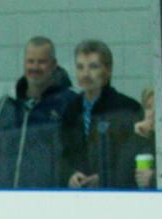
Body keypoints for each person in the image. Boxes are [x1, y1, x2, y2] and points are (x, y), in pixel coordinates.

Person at [0, 36, 76, 188]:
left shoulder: (70, 105)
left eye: (41, 62)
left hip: (50, 200)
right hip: (6, 200)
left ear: (54, 65)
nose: (35, 67)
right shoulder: (5, 106)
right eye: (30, 61)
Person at [61, 40, 142, 190]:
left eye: (93, 67)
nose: (85, 74)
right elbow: (63, 155)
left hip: (118, 196)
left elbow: (133, 158)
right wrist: (70, 175)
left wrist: (106, 178)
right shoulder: (71, 110)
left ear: (108, 70)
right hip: (77, 198)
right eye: (80, 67)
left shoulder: (127, 109)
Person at [132, 84, 162, 189]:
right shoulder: (146, 139)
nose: (153, 112)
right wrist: (136, 138)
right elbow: (122, 176)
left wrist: (153, 178)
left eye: (160, 106)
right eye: (148, 107)